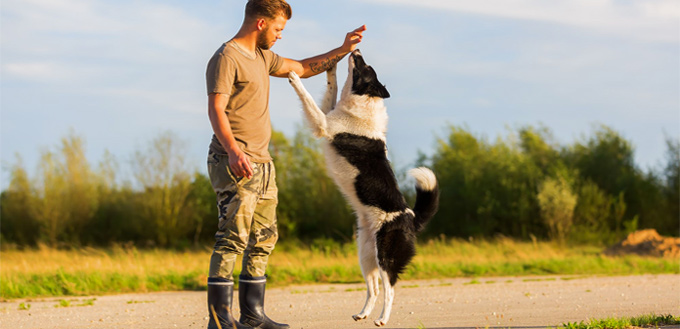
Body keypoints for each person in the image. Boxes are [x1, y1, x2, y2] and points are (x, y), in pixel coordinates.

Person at [205, 1, 365, 328]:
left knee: (264, 238)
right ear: (261, 23)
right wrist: (234, 151)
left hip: (263, 164)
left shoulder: (263, 57)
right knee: (232, 237)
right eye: (278, 29)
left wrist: (343, 48)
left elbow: (303, 68)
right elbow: (216, 109)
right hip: (234, 160)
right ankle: (219, 320)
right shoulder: (226, 58)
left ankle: (252, 316)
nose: (280, 36)